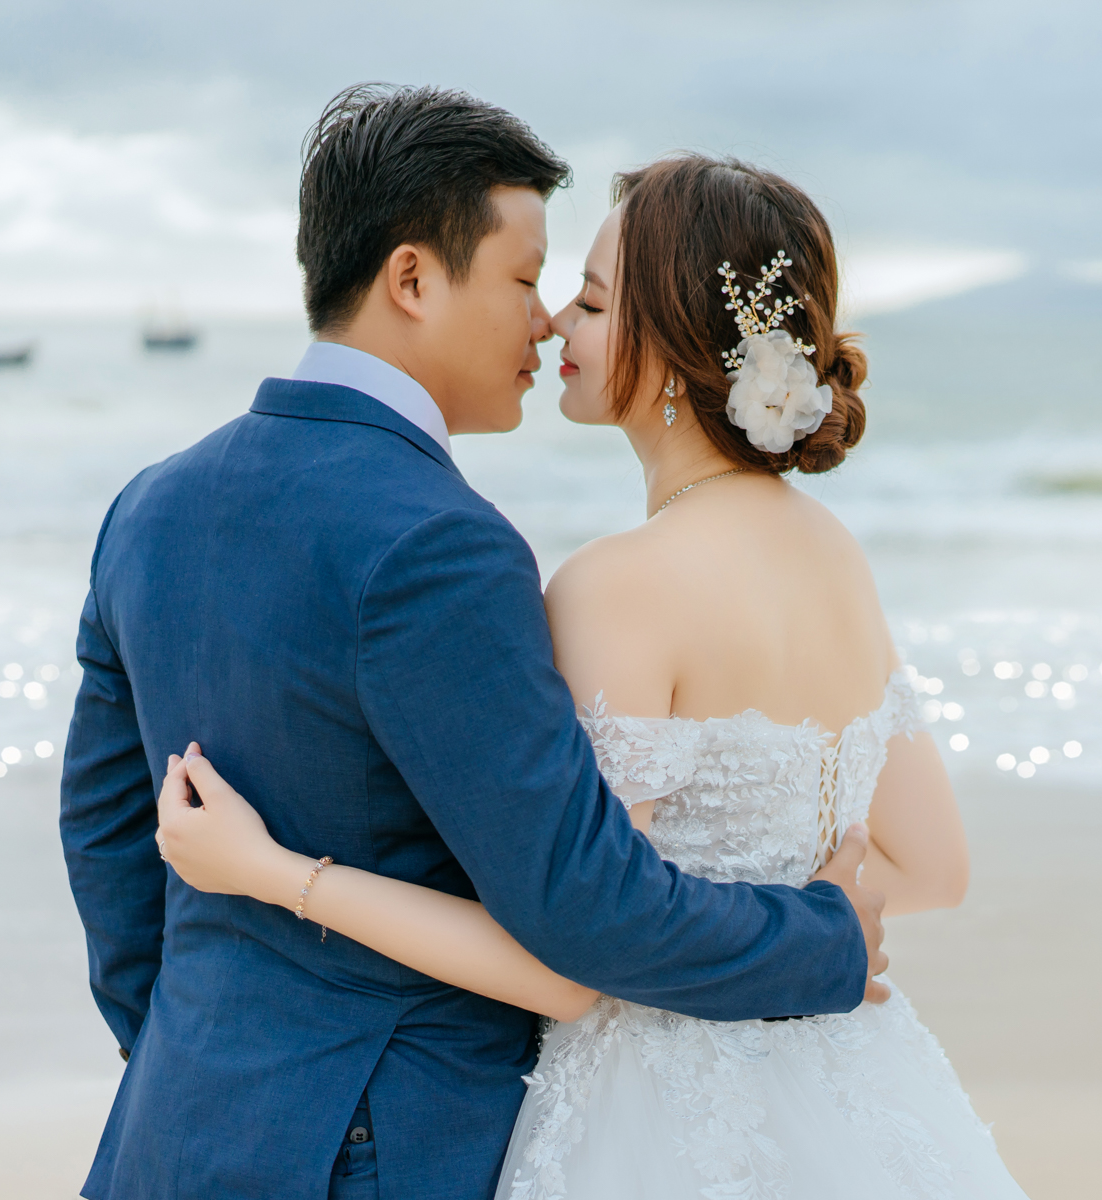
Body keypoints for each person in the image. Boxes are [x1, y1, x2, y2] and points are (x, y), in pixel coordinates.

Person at [59, 86, 889, 1200]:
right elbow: (581, 905)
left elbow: (107, 838)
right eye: (524, 279)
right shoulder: (441, 544)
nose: (545, 322)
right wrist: (824, 941)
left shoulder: (148, 506)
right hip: (378, 1151)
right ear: (412, 280)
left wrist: (196, 1051)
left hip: (170, 1129)